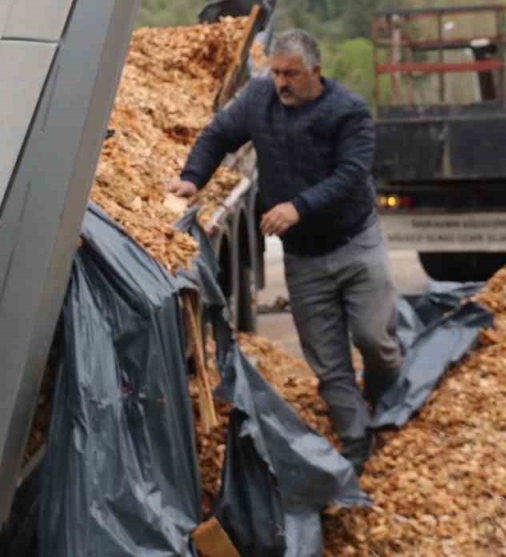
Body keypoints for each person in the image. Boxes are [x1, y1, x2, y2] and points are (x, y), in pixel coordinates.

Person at [167, 29, 402, 472]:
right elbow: (218, 134)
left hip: (356, 245)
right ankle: (357, 444)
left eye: (291, 74)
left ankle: (386, 402)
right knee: (327, 361)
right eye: (276, 73)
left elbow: (352, 174)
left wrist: (298, 206)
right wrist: (192, 178)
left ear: (315, 72)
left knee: (376, 340)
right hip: (304, 259)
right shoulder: (259, 100)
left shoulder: (348, 112)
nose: (282, 83)